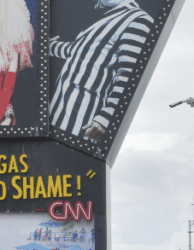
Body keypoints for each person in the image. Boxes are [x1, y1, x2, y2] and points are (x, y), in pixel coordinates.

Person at [49, 0, 153, 146]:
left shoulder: (138, 19)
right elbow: (77, 51)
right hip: (58, 113)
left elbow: (129, 76)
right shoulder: (105, 19)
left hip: (80, 121)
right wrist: (48, 46)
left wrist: (106, 117)